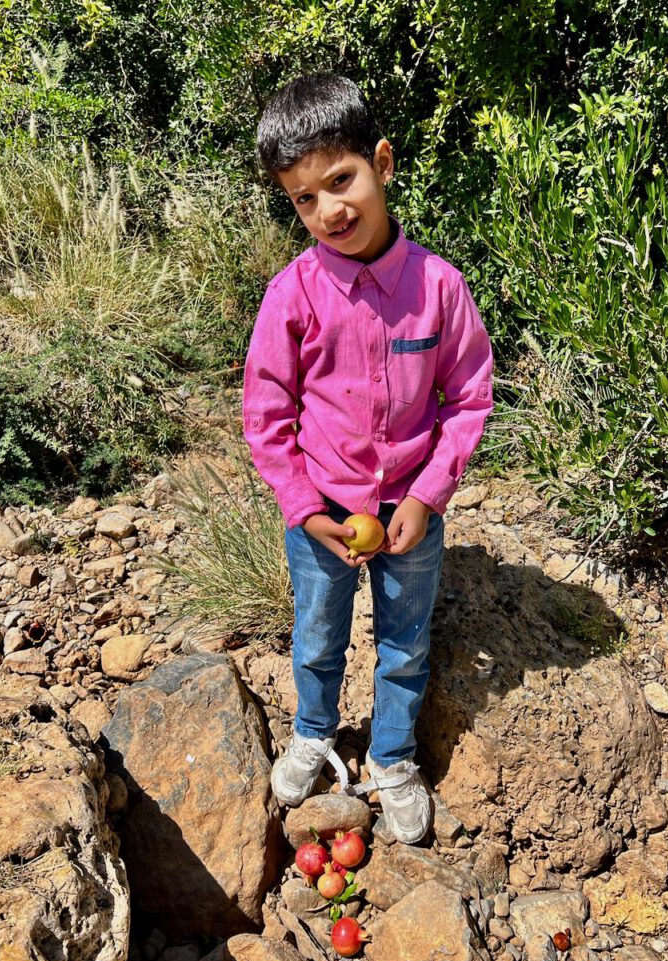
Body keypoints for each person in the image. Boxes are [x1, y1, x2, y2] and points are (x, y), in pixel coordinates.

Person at [243, 72, 494, 844]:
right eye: (303, 198)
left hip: (410, 508)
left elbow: (471, 397)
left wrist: (426, 496)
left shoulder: (439, 288)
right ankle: (314, 732)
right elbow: (266, 412)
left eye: (341, 180)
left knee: (403, 641)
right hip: (321, 508)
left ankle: (392, 756)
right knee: (317, 633)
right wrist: (304, 508)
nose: (329, 210)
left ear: (382, 163)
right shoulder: (292, 294)